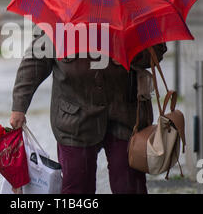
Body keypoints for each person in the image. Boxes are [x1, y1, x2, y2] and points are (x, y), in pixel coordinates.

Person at [9, 30, 167, 194]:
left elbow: (157, 52)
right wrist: (19, 107)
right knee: (76, 187)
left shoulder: (132, 11)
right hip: (74, 119)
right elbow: (35, 61)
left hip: (126, 116)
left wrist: (129, 49)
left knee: (129, 186)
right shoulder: (58, 16)